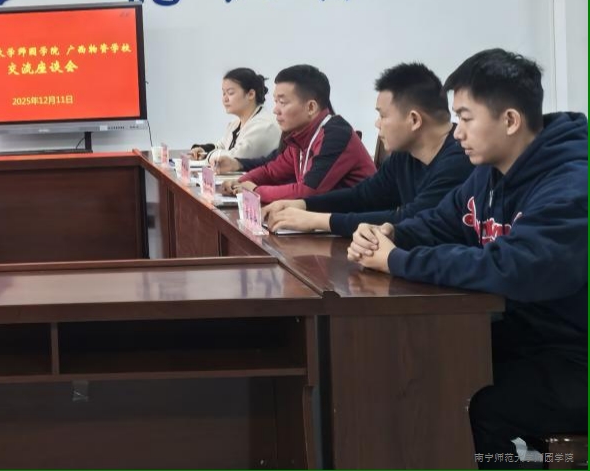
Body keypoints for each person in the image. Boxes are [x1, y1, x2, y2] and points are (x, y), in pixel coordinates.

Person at [346, 50, 586, 466]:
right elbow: (440, 223)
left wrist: (397, 260)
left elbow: (511, 266)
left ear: (509, 120)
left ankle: (501, 462)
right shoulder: (489, 174)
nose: (457, 133)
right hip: (526, 338)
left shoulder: (571, 184)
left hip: (574, 355)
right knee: (421, 370)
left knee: (472, 405)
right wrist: (389, 235)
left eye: (466, 118)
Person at [263, 63, 472, 236]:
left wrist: (317, 220)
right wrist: (302, 205)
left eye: (383, 115)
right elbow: (364, 196)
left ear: (414, 120)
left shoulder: (461, 160)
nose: (377, 124)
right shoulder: (405, 154)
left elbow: (411, 219)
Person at [216, 64, 375, 201]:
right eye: (276, 101)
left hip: (359, 221)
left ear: (311, 107)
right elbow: (272, 171)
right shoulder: (301, 136)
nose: (275, 110)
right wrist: (241, 182)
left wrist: (256, 191)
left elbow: (308, 192)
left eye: (282, 102)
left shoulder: (335, 135)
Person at [188, 67, 281, 165]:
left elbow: (232, 158)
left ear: (250, 94)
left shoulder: (264, 126)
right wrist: (203, 150)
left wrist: (207, 155)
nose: (225, 99)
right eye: (223, 93)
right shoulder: (236, 123)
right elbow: (222, 145)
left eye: (230, 93)